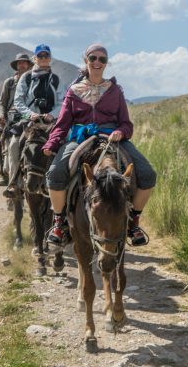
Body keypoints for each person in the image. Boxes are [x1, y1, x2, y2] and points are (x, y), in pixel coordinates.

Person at [42, 43, 156, 247]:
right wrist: (52, 142)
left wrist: (120, 132)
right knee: (55, 174)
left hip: (112, 137)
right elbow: (63, 123)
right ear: (86, 61)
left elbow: (126, 123)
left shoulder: (115, 91)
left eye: (102, 59)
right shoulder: (73, 91)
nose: (97, 62)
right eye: (93, 58)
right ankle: (59, 224)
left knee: (148, 174)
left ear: (106, 63)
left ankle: (133, 222)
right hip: (81, 137)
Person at [4, 44, 64, 200]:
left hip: (51, 123)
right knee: (14, 145)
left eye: (46, 56)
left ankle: (64, 186)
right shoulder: (26, 77)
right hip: (29, 121)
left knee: (65, 145)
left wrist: (51, 115)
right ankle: (14, 182)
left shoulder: (56, 79)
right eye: (40, 56)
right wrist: (30, 114)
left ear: (50, 58)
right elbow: (18, 100)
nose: (43, 59)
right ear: (35, 58)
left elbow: (61, 102)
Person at [0, 53, 33, 186]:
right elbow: (2, 102)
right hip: (10, 118)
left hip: (28, 117)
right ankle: (5, 175)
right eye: (19, 63)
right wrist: (1, 116)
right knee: (0, 142)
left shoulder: (33, 82)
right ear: (16, 66)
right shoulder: (10, 82)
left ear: (29, 65)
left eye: (24, 62)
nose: (22, 65)